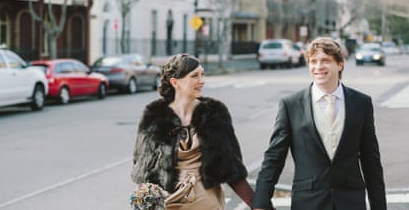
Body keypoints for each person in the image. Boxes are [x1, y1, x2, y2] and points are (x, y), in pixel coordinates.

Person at [252, 37, 387, 210]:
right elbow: (274, 157)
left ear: (340, 64)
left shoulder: (361, 103)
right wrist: (261, 202)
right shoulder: (291, 105)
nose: (318, 67)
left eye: (325, 61)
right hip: (308, 201)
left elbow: (371, 160)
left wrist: (379, 206)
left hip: (350, 201)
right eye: (313, 61)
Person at [131, 53, 254, 209]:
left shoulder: (214, 113)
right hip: (170, 205)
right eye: (194, 76)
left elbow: (232, 167)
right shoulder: (154, 116)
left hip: (208, 205)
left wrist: (257, 205)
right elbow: (144, 170)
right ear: (175, 82)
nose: (201, 81)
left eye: (202, 74)